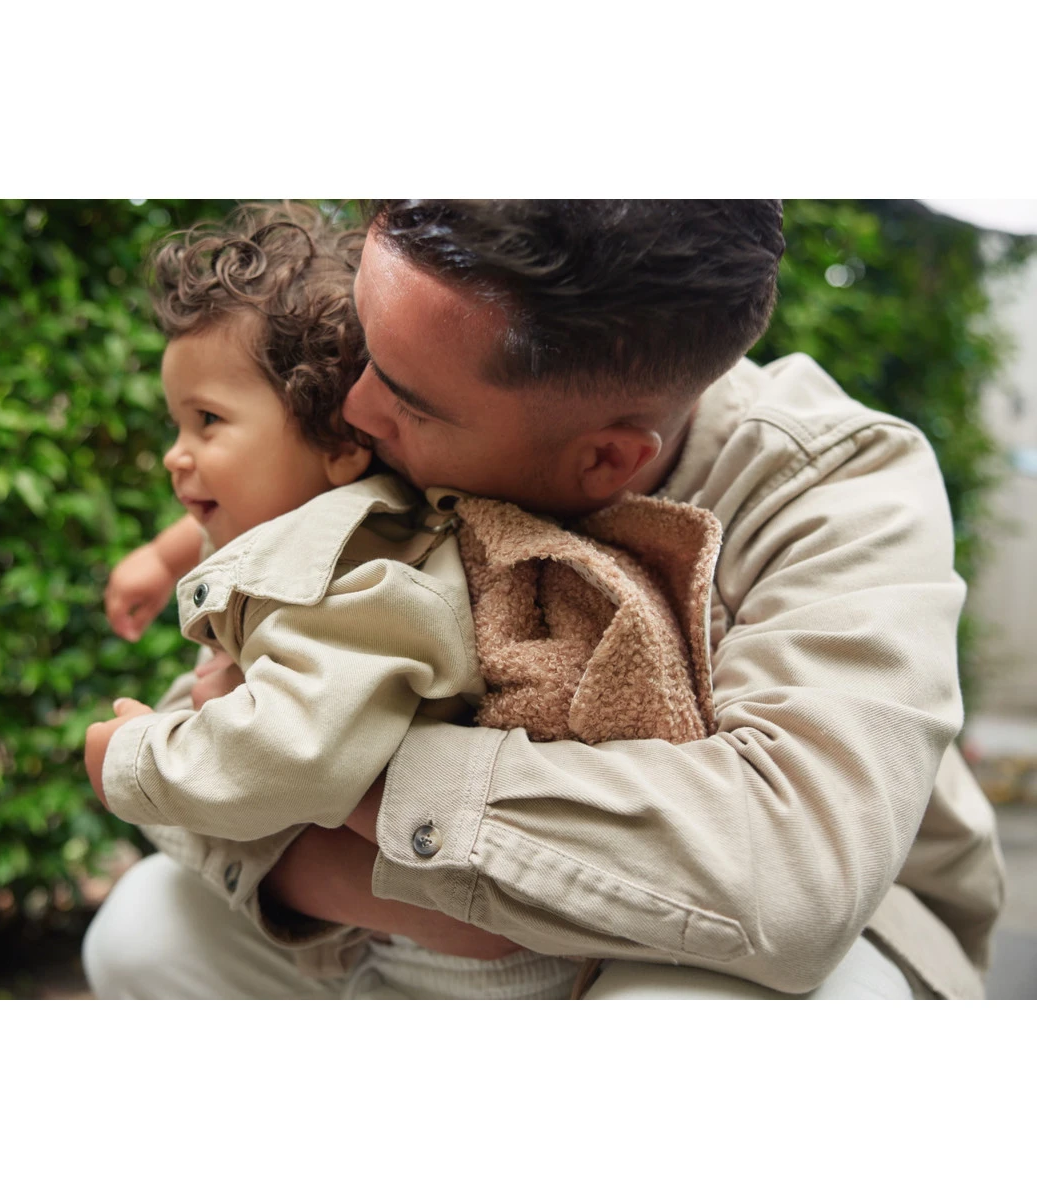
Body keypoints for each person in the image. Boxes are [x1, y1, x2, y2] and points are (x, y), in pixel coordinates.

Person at [85, 200, 1005, 1000]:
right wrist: (351, 869)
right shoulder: (399, 416)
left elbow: (789, 878)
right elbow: (214, 702)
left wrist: (321, 759)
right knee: (145, 929)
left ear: (606, 459)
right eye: (361, 344)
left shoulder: (837, 484)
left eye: (407, 398)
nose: (350, 409)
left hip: (827, 940)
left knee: (683, 1013)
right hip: (416, 906)